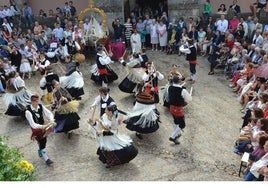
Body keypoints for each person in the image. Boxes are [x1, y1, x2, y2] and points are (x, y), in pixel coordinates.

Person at [25, 94, 55, 166]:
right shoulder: (28, 112)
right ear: (32, 102)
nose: (37, 102)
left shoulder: (41, 106)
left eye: (38, 101)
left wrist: (51, 120)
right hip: (36, 128)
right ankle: (47, 159)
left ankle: (40, 150)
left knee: (43, 140)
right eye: (35, 101)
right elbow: (33, 125)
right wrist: (43, 126)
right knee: (42, 141)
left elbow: (49, 113)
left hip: (43, 126)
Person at [168, 75, 192, 144]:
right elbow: (189, 99)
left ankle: (176, 134)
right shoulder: (182, 90)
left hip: (171, 107)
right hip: (178, 109)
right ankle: (172, 137)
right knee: (182, 125)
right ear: (179, 81)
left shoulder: (170, 87)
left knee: (176, 121)